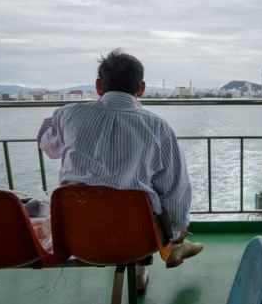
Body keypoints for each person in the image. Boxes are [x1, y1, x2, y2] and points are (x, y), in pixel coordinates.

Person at [37, 49, 202, 293]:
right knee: (157, 197)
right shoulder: (157, 126)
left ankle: (167, 249)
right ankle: (173, 247)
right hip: (137, 236)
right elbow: (176, 189)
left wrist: (59, 123)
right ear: (142, 88)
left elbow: (49, 146)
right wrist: (176, 230)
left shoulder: (68, 114)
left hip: (76, 236)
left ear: (99, 86)